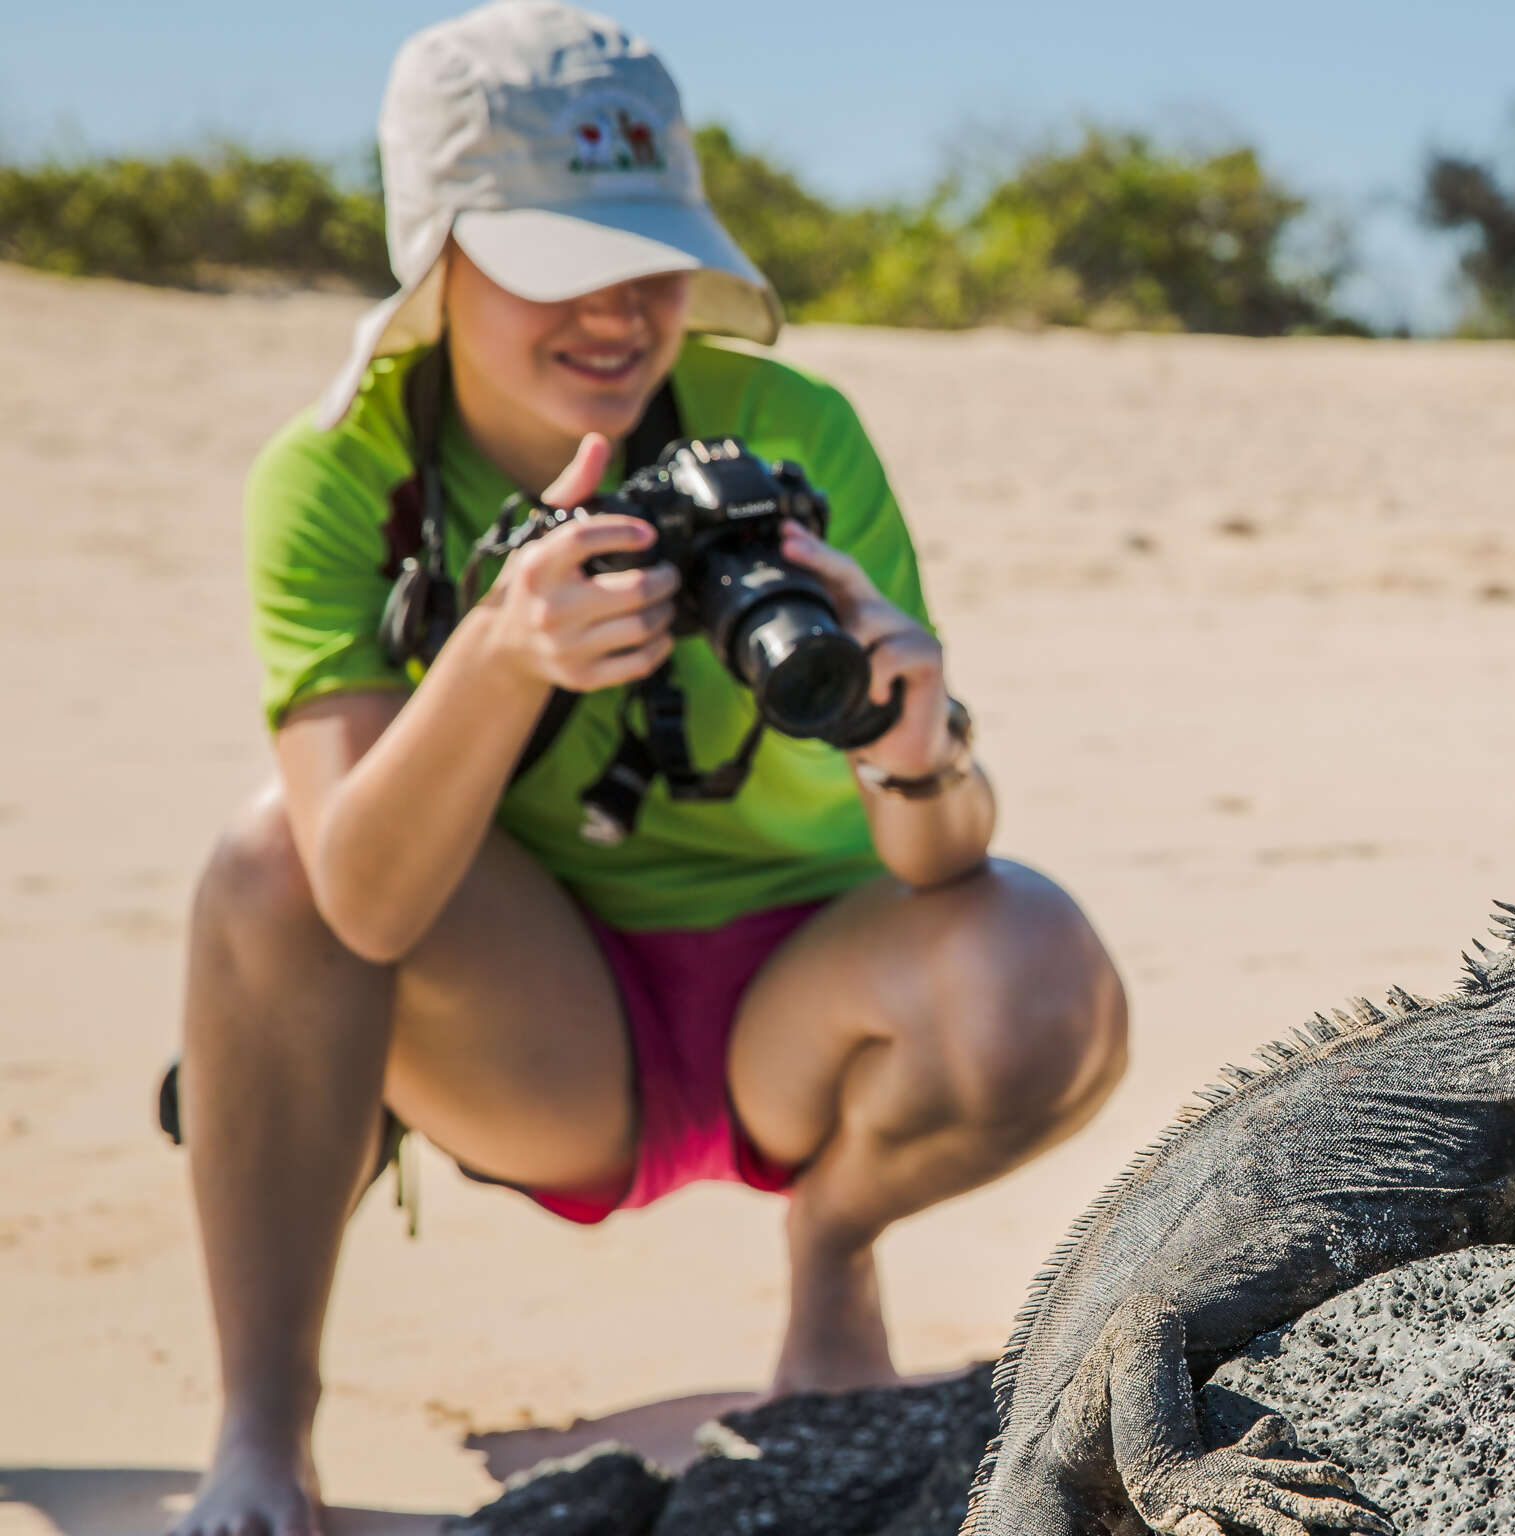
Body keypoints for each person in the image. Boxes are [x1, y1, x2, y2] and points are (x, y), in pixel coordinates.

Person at [170, 6, 1128, 1534]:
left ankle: (834, 1261)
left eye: (649, 256)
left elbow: (944, 869)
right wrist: (496, 656)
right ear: (439, 258)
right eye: (559, 263)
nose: (616, 310)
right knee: (263, 864)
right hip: (538, 1030)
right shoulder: (340, 473)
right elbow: (355, 897)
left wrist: (918, 743)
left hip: (815, 1007)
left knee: (1040, 965)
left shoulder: (790, 431)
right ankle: (262, 1434)